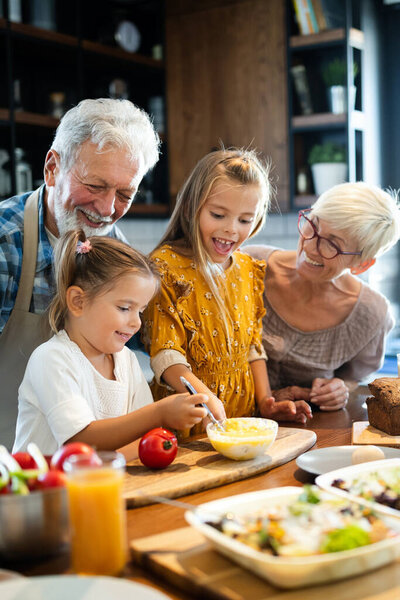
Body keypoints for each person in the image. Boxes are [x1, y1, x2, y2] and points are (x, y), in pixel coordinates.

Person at [0, 98, 160, 449]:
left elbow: (149, 340)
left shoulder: (117, 252)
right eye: (95, 185)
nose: (106, 209)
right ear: (52, 168)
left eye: (124, 193)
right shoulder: (4, 242)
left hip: (85, 473)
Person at [142, 148, 311, 436]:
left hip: (242, 421)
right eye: (219, 215)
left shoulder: (247, 268)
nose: (231, 229)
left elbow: (251, 347)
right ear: (190, 207)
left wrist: (265, 402)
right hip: (189, 425)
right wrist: (204, 397)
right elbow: (166, 355)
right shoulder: (164, 266)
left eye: (245, 220)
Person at [13, 230, 210, 459]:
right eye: (124, 308)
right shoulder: (51, 358)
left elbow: (140, 438)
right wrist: (159, 413)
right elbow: (79, 443)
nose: (136, 322)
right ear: (78, 301)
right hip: (42, 491)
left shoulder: (126, 359)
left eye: (141, 310)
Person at [243, 182, 400, 411]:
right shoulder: (249, 266)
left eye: (332, 244)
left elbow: (352, 379)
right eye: (313, 224)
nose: (310, 246)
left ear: (361, 264)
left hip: (309, 433)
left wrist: (339, 389)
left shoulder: (371, 315)